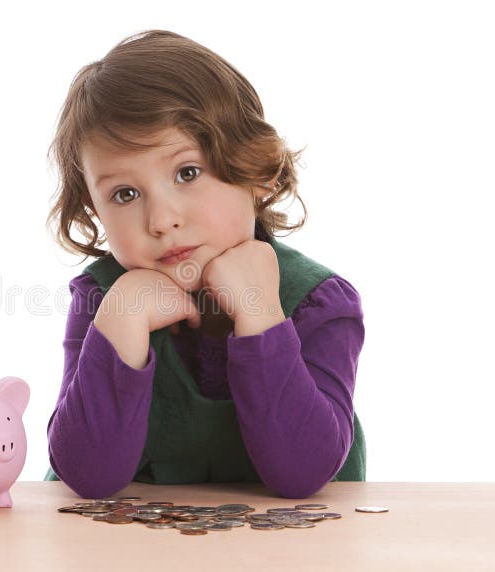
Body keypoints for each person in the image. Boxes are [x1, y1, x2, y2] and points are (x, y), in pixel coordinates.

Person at [43, 30, 366, 499]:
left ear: (256, 170)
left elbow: (303, 473)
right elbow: (88, 477)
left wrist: (259, 312)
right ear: (94, 210)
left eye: (187, 172)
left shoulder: (319, 302)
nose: (162, 220)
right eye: (125, 194)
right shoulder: (102, 299)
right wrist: (124, 317)